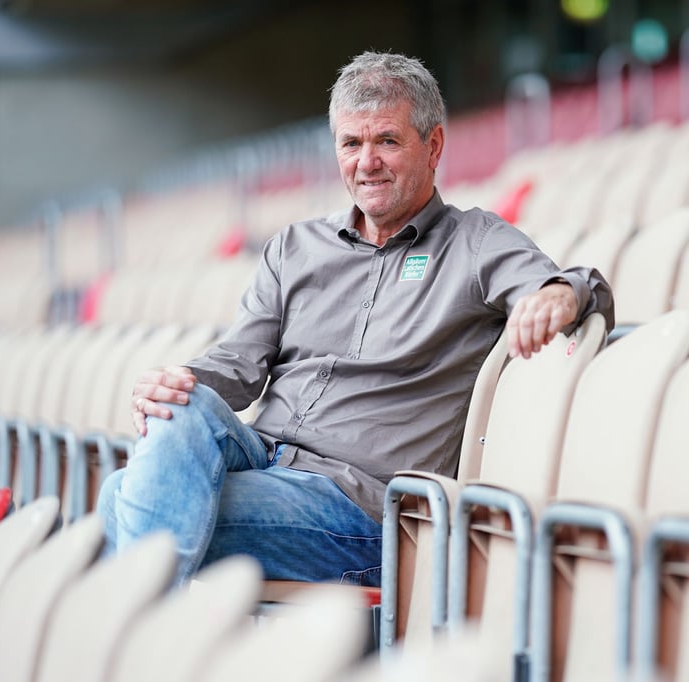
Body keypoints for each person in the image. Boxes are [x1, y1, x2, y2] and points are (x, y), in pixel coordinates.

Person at [96, 51, 614, 587]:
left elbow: (572, 286)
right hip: (263, 456)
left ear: (433, 145)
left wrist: (558, 295)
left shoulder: (476, 241)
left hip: (361, 509)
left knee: (125, 500)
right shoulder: (294, 247)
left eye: (387, 141)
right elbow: (238, 365)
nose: (367, 162)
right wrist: (179, 381)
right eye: (351, 144)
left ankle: (134, 625)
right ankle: (148, 624)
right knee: (178, 409)